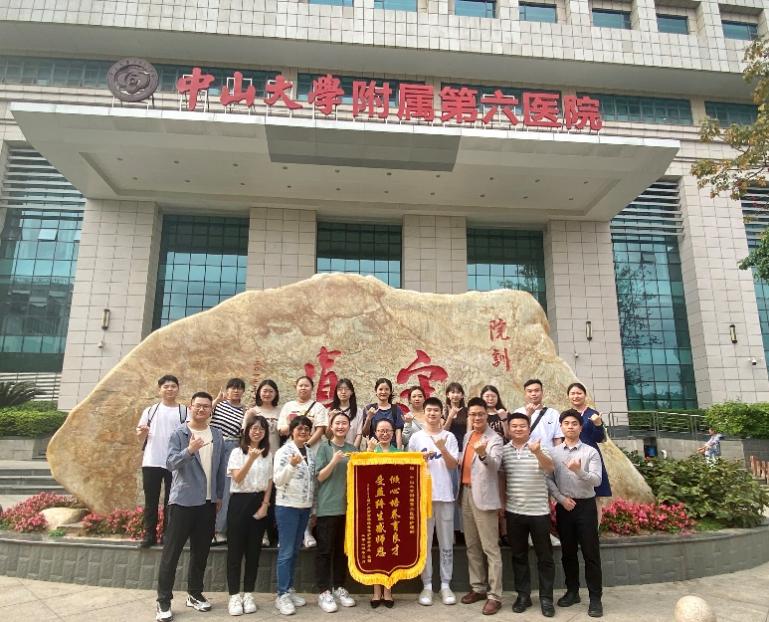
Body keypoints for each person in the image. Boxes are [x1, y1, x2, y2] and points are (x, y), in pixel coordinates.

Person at [155, 391, 227, 622]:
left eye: (206, 406)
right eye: (198, 405)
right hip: (183, 502)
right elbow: (170, 463)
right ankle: (163, 601)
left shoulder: (217, 434)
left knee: (201, 552)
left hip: (207, 503)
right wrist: (190, 450)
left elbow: (219, 468)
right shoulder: (180, 433)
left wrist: (218, 496)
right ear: (191, 407)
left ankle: (194, 594)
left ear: (211, 409)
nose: (202, 409)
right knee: (171, 553)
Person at [546, 410, 604, 618]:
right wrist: (561, 499)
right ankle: (572, 592)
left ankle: (595, 598)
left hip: (586, 507)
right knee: (568, 553)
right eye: (566, 423)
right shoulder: (553, 453)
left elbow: (597, 480)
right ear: (561, 427)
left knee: (591, 554)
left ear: (580, 427)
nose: (570, 426)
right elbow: (548, 479)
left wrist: (579, 471)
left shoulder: (590, 452)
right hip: (565, 507)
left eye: (574, 423)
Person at [500, 413, 556, 618]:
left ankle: (546, 598)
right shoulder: (504, 451)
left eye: (522, 426)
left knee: (545, 557)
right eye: (514, 426)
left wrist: (537, 452)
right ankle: (523, 596)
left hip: (539, 512)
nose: (518, 429)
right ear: (509, 429)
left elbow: (550, 468)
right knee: (519, 556)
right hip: (514, 512)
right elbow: (501, 478)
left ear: (529, 428)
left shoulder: (540, 447)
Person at [408, 396, 459, 607]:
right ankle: (427, 585)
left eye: (436, 410)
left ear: (441, 414)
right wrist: (421, 460)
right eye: (429, 410)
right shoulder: (416, 438)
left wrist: (442, 448)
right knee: (425, 543)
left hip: (445, 496)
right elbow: (409, 467)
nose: (432, 413)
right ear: (424, 412)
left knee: (446, 543)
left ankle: (446, 585)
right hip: (423, 497)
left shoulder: (449, 437)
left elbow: (453, 465)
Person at [458, 396, 504, 616]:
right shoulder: (467, 436)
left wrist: (483, 454)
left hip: (484, 498)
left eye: (480, 414)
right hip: (466, 494)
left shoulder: (494, 438)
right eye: (473, 414)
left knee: (490, 548)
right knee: (472, 546)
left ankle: (495, 596)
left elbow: (495, 466)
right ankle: (477, 587)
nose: (476, 417)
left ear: (487, 415)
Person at [226, 414, 272, 616]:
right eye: (254, 428)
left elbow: (269, 481)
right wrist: (251, 459)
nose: (257, 432)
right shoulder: (237, 452)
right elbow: (237, 478)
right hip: (239, 503)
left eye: (261, 429)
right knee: (235, 552)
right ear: (247, 431)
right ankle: (234, 596)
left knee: (254, 552)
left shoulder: (268, 454)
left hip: (259, 502)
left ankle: (248, 594)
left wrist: (265, 505)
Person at [136, 374, 189, 549]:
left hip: (174, 462)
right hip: (151, 461)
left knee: (171, 501)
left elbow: (188, 434)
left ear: (178, 389)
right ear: (159, 389)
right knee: (151, 501)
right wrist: (143, 432)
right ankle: (149, 535)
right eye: (166, 386)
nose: (170, 389)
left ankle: (168, 535)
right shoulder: (150, 411)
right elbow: (140, 437)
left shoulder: (184, 411)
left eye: (173, 386)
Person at [314, 411, 358, 613]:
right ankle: (324, 591)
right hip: (328, 507)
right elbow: (319, 477)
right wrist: (333, 460)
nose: (341, 426)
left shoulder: (352, 449)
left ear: (349, 427)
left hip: (348, 508)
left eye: (344, 423)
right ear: (330, 427)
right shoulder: (324, 448)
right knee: (325, 551)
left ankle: (339, 587)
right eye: (337, 423)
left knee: (342, 551)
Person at [278, 376, 328, 548]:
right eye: (300, 385)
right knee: (290, 488)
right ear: (296, 387)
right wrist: (294, 426)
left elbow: (320, 430)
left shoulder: (318, 407)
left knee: (310, 491)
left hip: (312, 453)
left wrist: (305, 445)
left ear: (312, 388)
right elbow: (282, 430)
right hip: (291, 454)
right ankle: (288, 533)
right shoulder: (288, 406)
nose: (303, 388)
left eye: (306, 385)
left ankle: (306, 530)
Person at [273, 416, 316, 616]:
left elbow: (312, 482)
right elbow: (277, 480)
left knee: (295, 552)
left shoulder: (310, 452)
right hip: (287, 507)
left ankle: (289, 589)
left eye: (307, 429)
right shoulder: (283, 452)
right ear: (291, 431)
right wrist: (291, 465)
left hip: (304, 507)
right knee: (286, 552)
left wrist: (313, 509)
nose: (303, 432)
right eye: (299, 428)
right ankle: (281, 594)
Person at [365, 418, 402, 607]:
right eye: (381, 430)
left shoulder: (399, 454)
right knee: (375, 549)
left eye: (388, 430)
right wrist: (369, 452)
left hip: (392, 507)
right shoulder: (370, 451)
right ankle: (376, 591)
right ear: (375, 433)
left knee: (389, 549)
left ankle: (388, 590)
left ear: (393, 433)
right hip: (374, 506)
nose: (384, 434)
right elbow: (362, 476)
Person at [244, 379, 281, 547]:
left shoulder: (281, 411)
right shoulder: (253, 411)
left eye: (271, 391)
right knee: (258, 494)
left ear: (275, 394)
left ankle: (270, 532)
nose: (267, 394)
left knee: (272, 496)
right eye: (264, 390)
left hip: (276, 458)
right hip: (257, 457)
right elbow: (245, 435)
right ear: (259, 392)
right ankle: (260, 533)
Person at [566, 383, 612, 517]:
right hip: (572, 457)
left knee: (596, 496)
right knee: (573, 494)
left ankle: (595, 529)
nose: (576, 396)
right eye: (572, 393)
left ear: (585, 395)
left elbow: (600, 438)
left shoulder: (593, 414)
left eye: (579, 393)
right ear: (568, 396)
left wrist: (598, 424)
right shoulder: (567, 415)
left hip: (591, 458)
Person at [211, 377, 247, 536]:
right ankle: (204, 527)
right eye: (233, 387)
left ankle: (219, 529)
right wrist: (216, 400)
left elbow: (244, 433)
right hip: (213, 444)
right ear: (227, 390)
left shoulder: (245, 411)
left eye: (239, 388)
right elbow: (203, 415)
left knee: (226, 488)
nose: (236, 390)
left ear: (243, 391)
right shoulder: (218, 405)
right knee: (208, 483)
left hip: (232, 448)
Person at [513, 379, 563, 450]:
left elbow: (557, 438)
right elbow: (516, 436)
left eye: (537, 390)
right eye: (530, 391)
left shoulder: (553, 413)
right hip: (525, 454)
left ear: (542, 392)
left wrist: (558, 454)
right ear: (525, 394)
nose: (533, 394)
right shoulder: (518, 412)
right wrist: (528, 415)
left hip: (547, 454)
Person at [361, 378, 405, 449]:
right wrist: (368, 418)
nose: (383, 392)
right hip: (373, 449)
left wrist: (399, 451)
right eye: (380, 389)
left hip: (391, 450)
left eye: (386, 389)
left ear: (390, 392)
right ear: (376, 391)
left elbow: (398, 433)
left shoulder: (396, 409)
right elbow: (365, 434)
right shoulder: (369, 409)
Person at [328, 378, 364, 448]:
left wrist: (352, 451)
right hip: (333, 450)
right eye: (340, 389)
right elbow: (328, 435)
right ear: (336, 392)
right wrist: (331, 418)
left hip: (352, 450)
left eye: (347, 389)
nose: (343, 392)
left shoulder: (358, 411)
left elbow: (359, 434)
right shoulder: (330, 411)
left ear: (351, 392)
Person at [443, 382, 468, 450]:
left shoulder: (467, 411)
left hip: (463, 446)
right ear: (447, 395)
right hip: (448, 446)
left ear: (462, 395)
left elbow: (469, 432)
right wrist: (450, 417)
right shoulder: (443, 411)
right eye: (453, 392)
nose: (455, 395)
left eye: (458, 392)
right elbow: (443, 432)